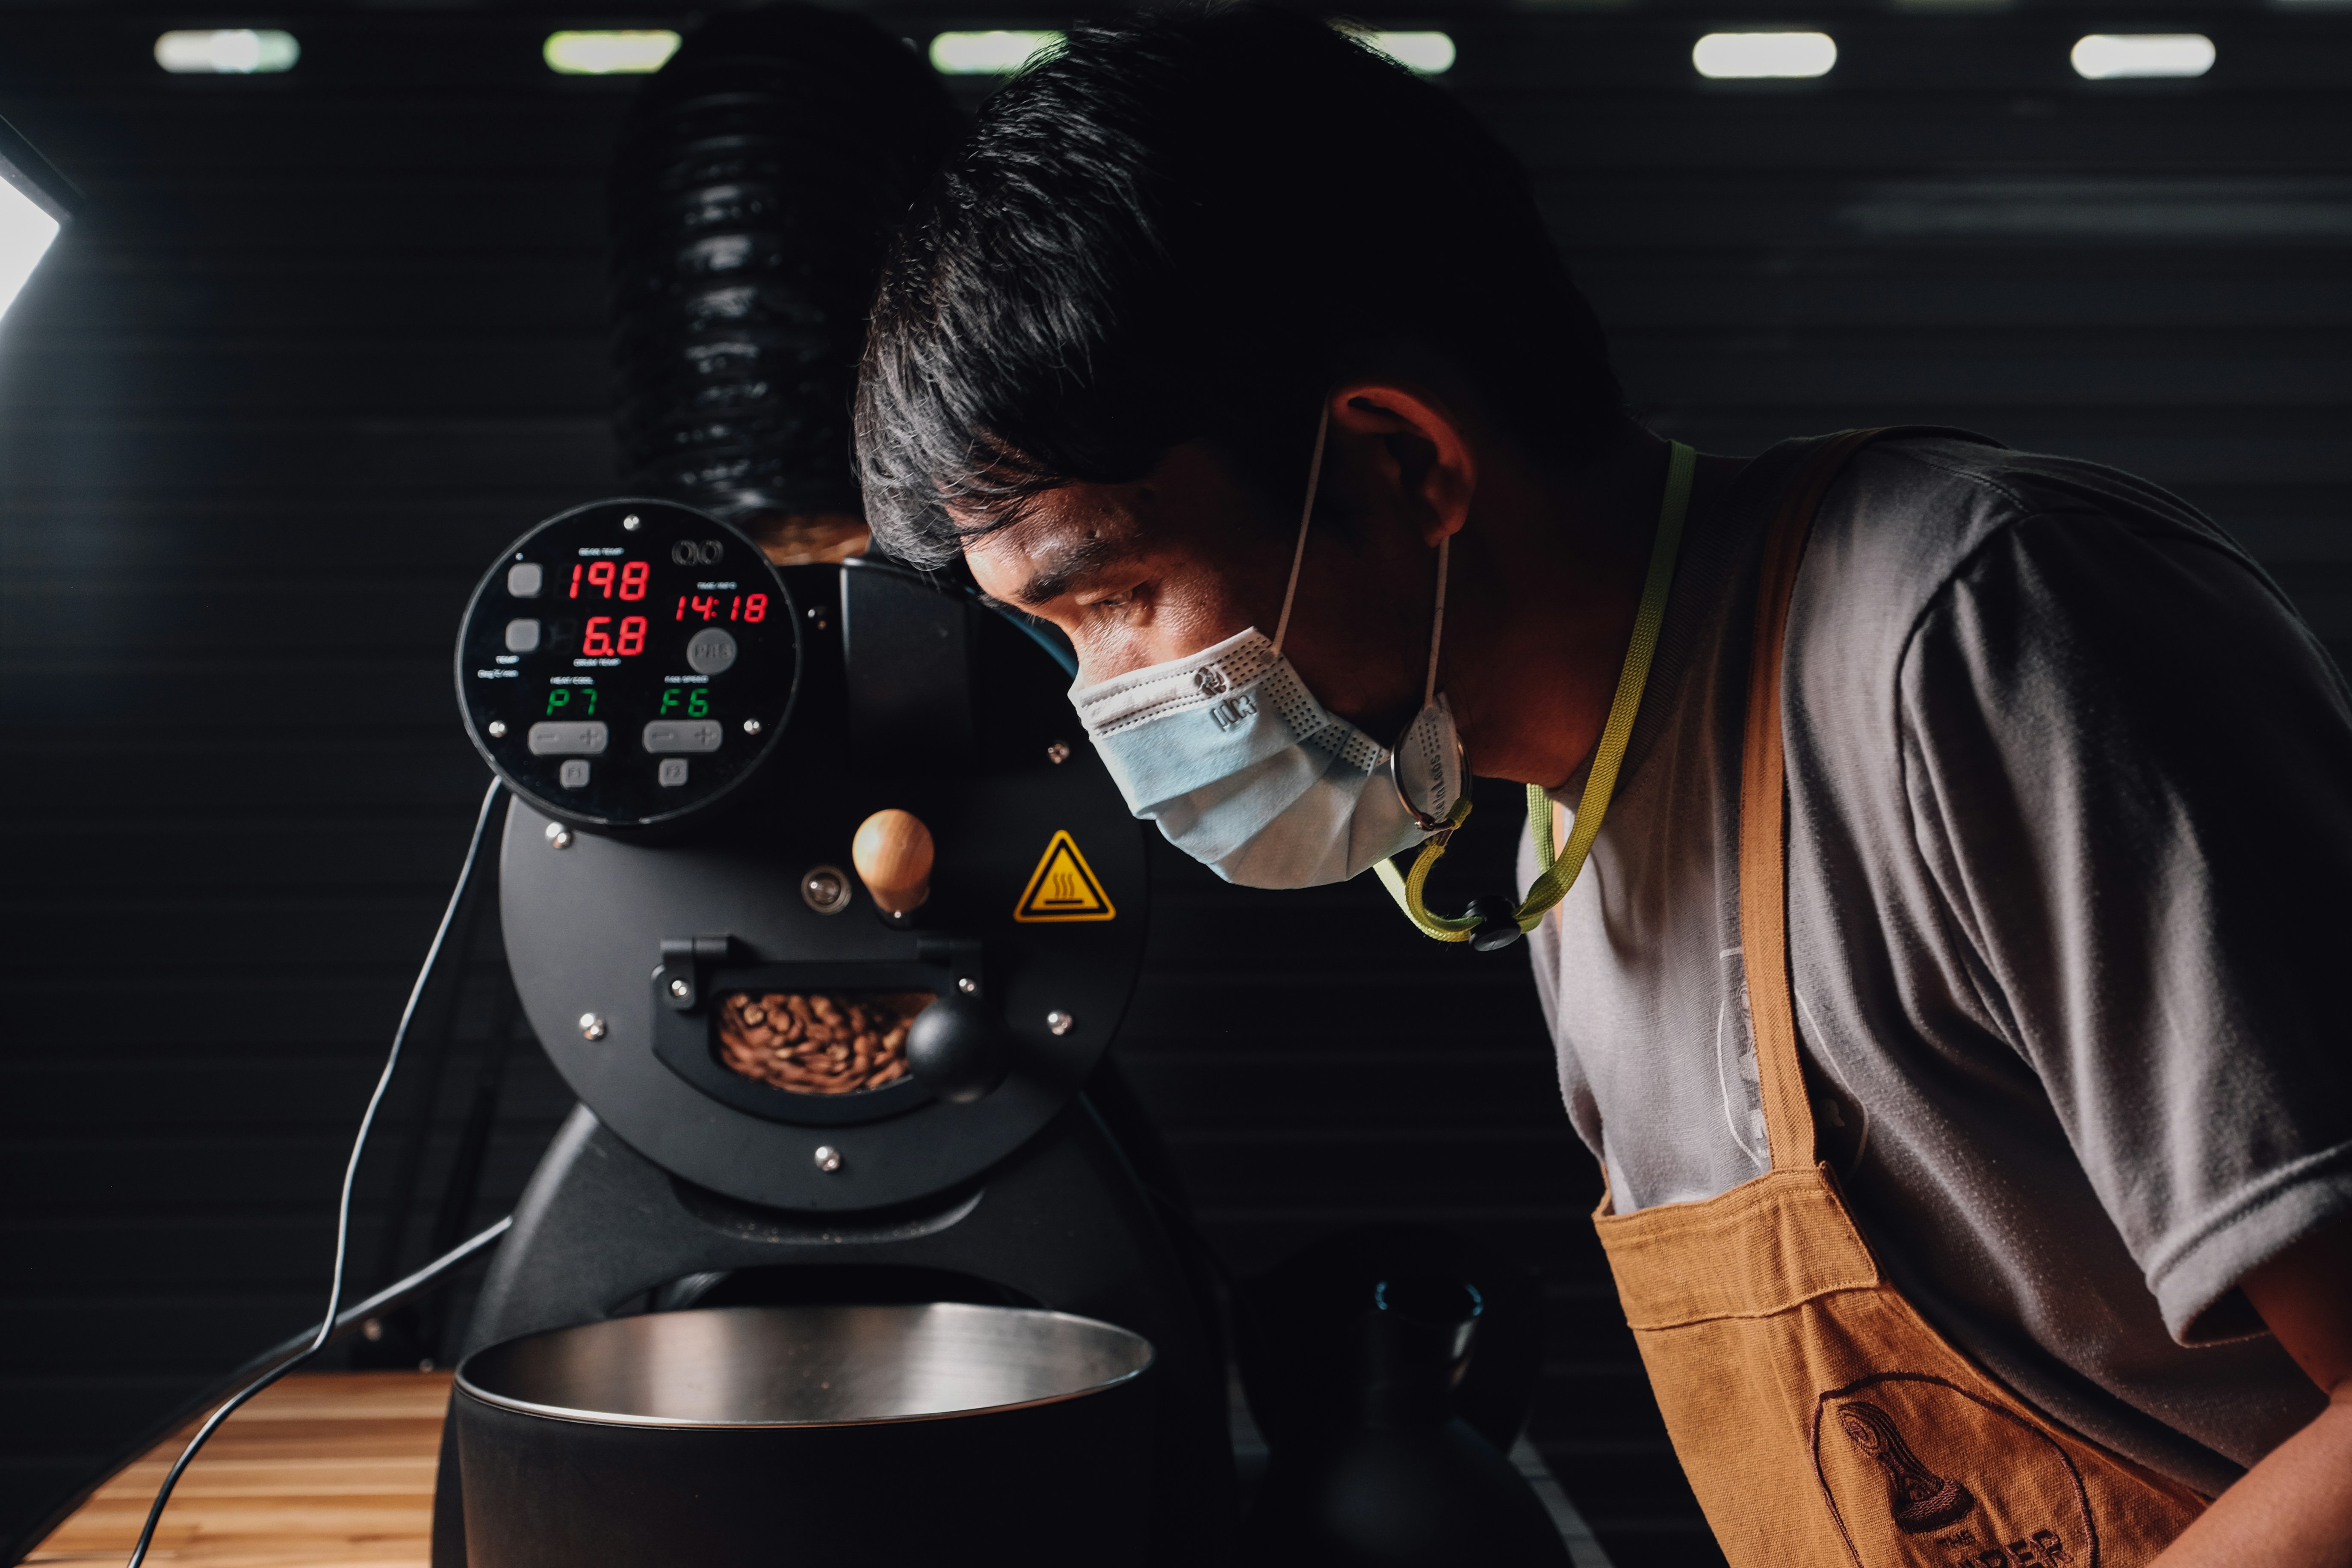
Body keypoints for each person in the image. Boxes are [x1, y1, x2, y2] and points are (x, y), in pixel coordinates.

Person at [853, 7, 2352, 1563]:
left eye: (1113, 595)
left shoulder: (1968, 631)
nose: (1107, 698)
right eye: (1054, 637)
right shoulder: (1559, 816)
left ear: (1397, 469)